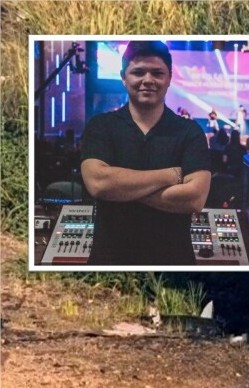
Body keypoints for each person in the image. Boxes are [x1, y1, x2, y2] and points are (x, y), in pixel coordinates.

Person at [80, 41, 211, 265]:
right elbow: (99, 183)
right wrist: (170, 176)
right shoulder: (101, 126)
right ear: (124, 77)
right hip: (109, 264)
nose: (148, 80)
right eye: (138, 72)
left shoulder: (190, 132)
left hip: (173, 265)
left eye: (157, 73)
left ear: (169, 78)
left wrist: (121, 188)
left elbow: (194, 198)